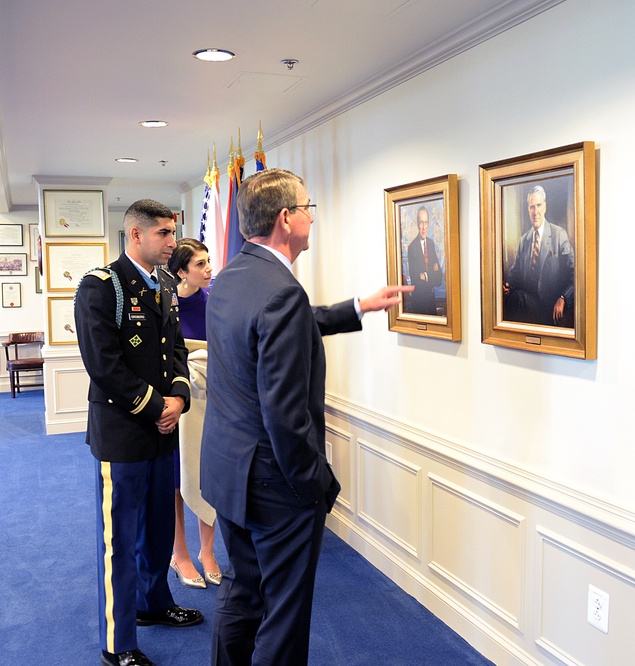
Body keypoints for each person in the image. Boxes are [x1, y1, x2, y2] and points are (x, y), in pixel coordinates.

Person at [200, 168, 412, 665]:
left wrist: (357, 307)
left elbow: (279, 326)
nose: (312, 219)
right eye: (307, 208)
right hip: (276, 485)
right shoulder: (280, 292)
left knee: (242, 592)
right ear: (285, 219)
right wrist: (315, 485)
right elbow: (286, 417)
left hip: (228, 470)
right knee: (284, 616)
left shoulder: (231, 277)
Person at [74, 199, 203, 666]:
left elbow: (176, 349)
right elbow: (103, 365)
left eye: (172, 233)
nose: (173, 242)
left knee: (157, 530)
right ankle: (118, 642)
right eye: (164, 234)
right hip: (124, 432)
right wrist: (156, 408)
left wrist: (179, 398)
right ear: (136, 235)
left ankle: (154, 603)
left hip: (161, 431)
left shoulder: (166, 283)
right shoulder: (100, 287)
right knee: (120, 541)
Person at [164, 237, 221, 589]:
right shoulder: (165, 306)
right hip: (176, 402)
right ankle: (180, 552)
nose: (209, 269)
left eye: (209, 261)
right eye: (200, 264)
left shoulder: (215, 302)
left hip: (212, 401)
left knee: (206, 474)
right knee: (176, 479)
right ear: (182, 271)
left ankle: (208, 551)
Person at [502, 185, 575, 326]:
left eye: (539, 205)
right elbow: (514, 273)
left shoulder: (558, 234)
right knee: (515, 298)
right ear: (528, 210)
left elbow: (575, 273)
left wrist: (563, 297)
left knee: (517, 299)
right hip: (528, 304)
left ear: (545, 207)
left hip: (550, 307)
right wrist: (508, 285)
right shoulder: (524, 240)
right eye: (532, 207)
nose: (535, 212)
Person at [405, 205, 443, 315]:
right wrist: (432, 273)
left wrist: (426, 276)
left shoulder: (430, 244)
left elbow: (439, 278)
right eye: (421, 222)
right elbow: (416, 279)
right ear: (417, 223)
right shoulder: (412, 248)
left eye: (426, 222)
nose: (424, 227)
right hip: (419, 304)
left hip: (431, 302)